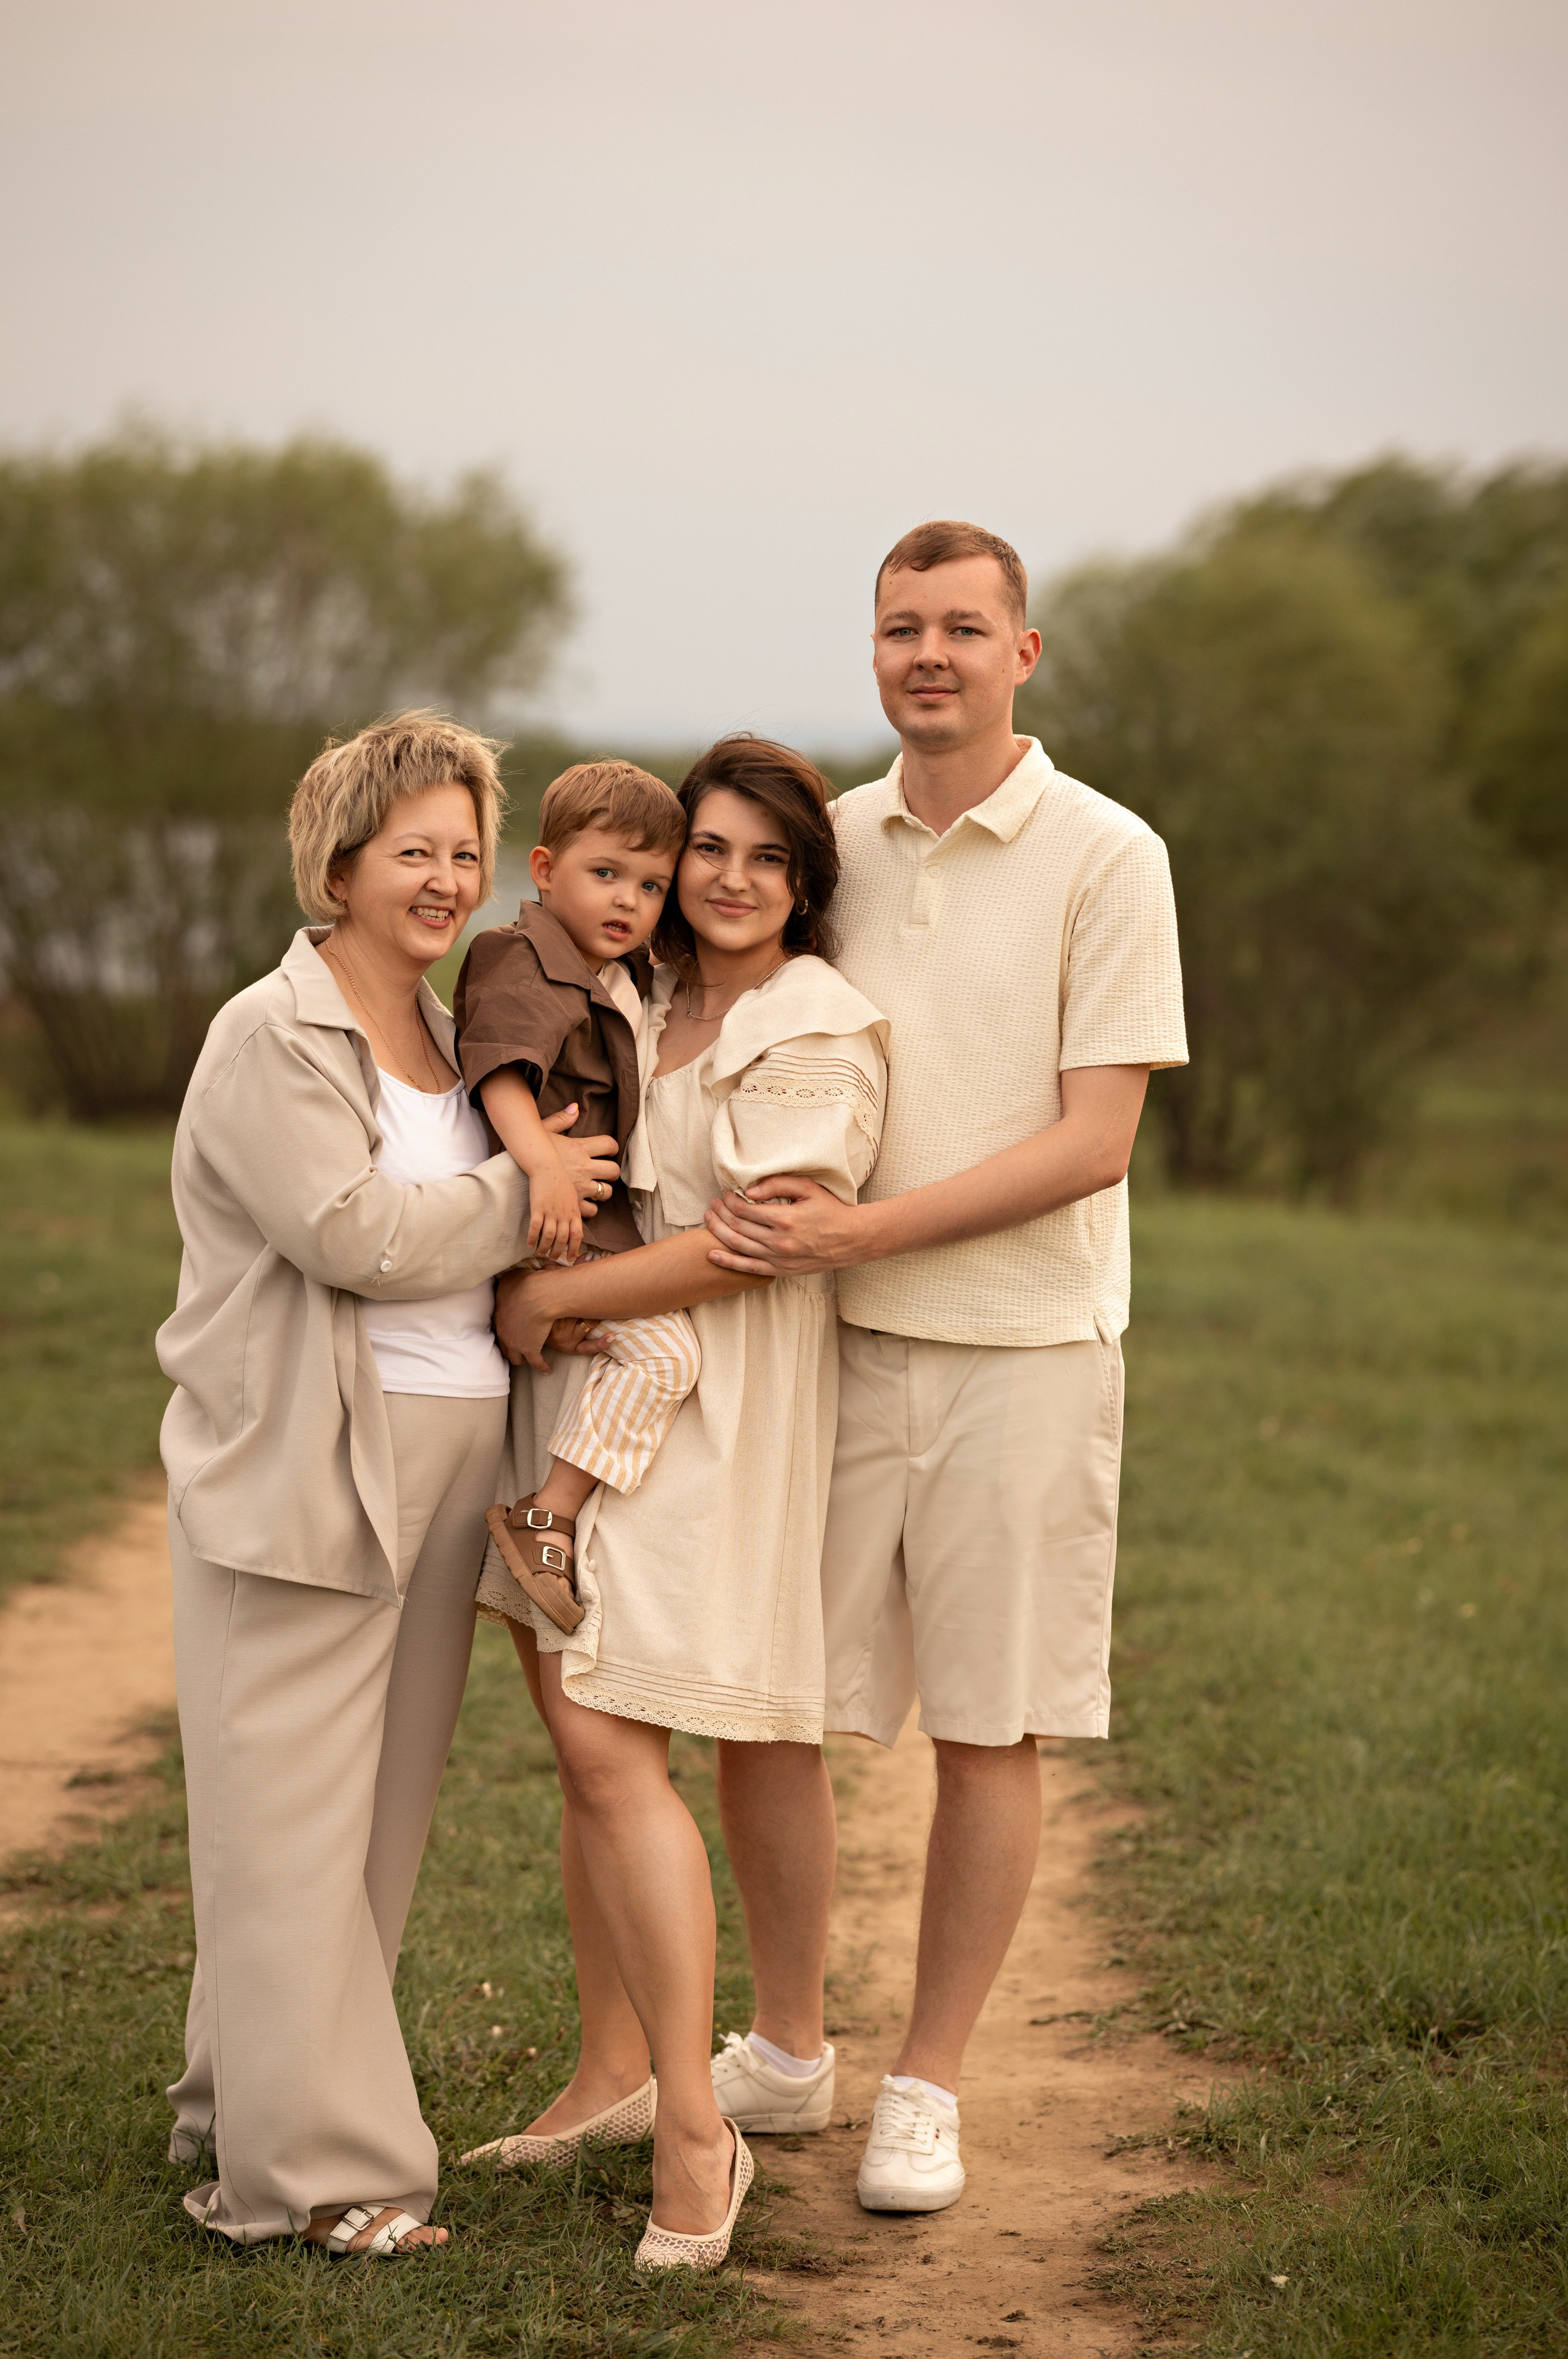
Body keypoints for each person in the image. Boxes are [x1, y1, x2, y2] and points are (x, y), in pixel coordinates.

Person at [703, 521, 1188, 2213]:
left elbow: (1094, 1141)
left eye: (963, 629)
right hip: (825, 1356)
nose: (930, 654)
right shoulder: (823, 844)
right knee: (767, 1700)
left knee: (990, 1724)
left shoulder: (1109, 854)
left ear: (1023, 653)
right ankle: (784, 2045)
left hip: (1026, 1350)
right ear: (876, 648)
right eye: (902, 627)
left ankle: (928, 2080)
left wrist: (865, 1231)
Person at [156, 711, 615, 2253]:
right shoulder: (267, 1033)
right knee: (285, 1818)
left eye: (463, 851)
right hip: (305, 1461)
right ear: (338, 862)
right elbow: (348, 1232)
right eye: (410, 849)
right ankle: (321, 2174)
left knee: (368, 1825)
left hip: (444, 1451)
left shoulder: (445, 1032)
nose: (443, 877)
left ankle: (244, 2098)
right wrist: (525, 1187)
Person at [463, 735, 888, 2270]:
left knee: (605, 1730)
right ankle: (612, 2072)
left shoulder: (816, 1026)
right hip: (594, 1392)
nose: (723, 877)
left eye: (765, 857)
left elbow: (751, 1242)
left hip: (713, 1408)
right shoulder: (636, 992)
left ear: (804, 884)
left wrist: (534, 1297)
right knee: (582, 1739)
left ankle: (702, 2135)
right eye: (705, 846)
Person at [452, 760, 700, 1636]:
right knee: (667, 1356)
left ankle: (552, 1509)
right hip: (554, 1219)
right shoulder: (520, 955)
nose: (628, 900)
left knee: (643, 1349)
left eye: (651, 885)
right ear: (547, 869)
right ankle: (546, 1513)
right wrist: (545, 1168)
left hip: (581, 1225)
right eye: (605, 874)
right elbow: (501, 1076)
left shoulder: (623, 974)